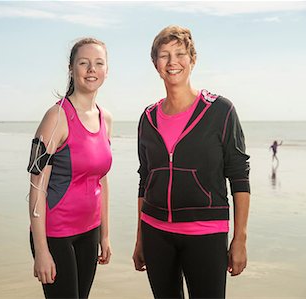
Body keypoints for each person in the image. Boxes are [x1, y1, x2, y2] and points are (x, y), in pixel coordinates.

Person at [132, 25, 251, 299]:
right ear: (155, 64)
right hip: (155, 232)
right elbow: (145, 179)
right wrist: (140, 238)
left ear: (192, 59)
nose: (172, 62)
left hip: (206, 233)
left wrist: (240, 238)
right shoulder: (147, 118)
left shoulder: (220, 110)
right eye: (164, 55)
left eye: (180, 54)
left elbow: (239, 175)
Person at [28, 37, 113, 299]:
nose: (91, 69)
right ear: (71, 68)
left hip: (90, 231)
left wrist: (105, 235)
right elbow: (36, 188)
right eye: (84, 63)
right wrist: (41, 250)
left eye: (98, 63)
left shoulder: (105, 118)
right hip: (56, 234)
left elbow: (102, 181)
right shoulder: (55, 117)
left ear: (106, 71)